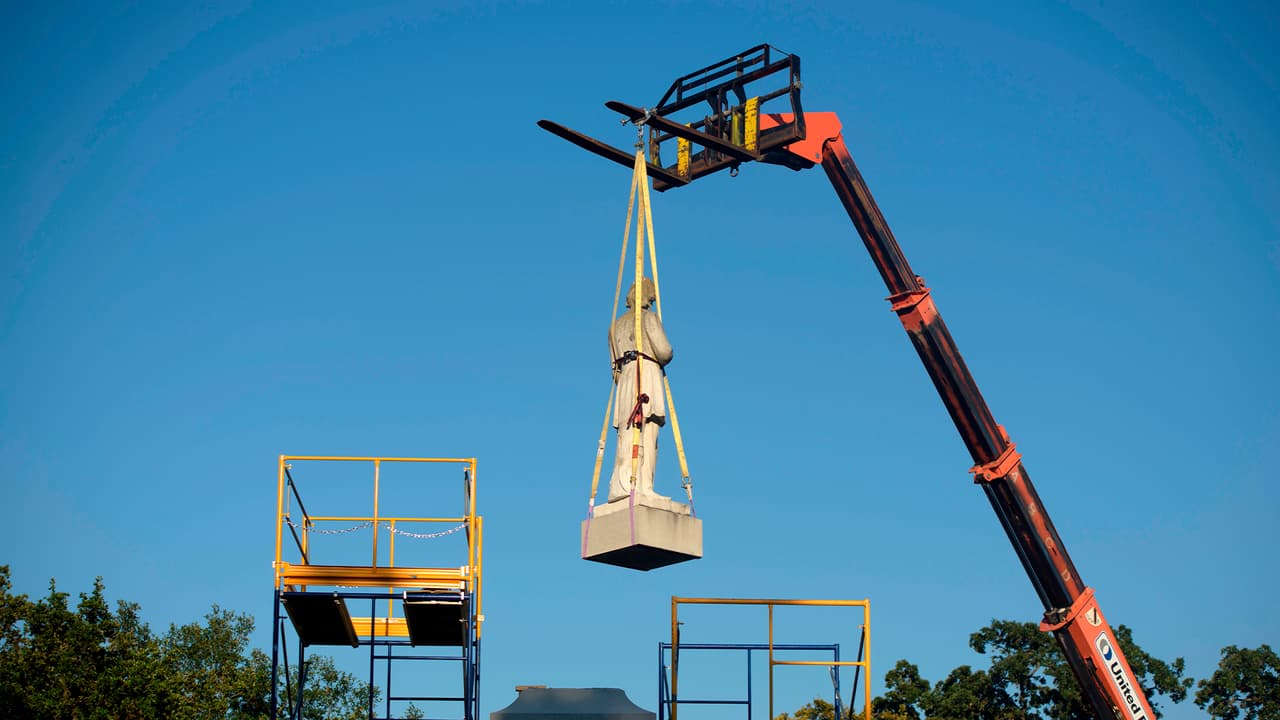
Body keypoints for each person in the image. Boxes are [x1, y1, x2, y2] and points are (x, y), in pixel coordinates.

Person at [608, 277, 673, 503]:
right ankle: (643, 486)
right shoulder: (648, 318)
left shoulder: (614, 326)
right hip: (646, 374)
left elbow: (614, 366)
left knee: (626, 432)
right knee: (648, 430)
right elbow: (664, 352)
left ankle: (622, 482)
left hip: (626, 378)